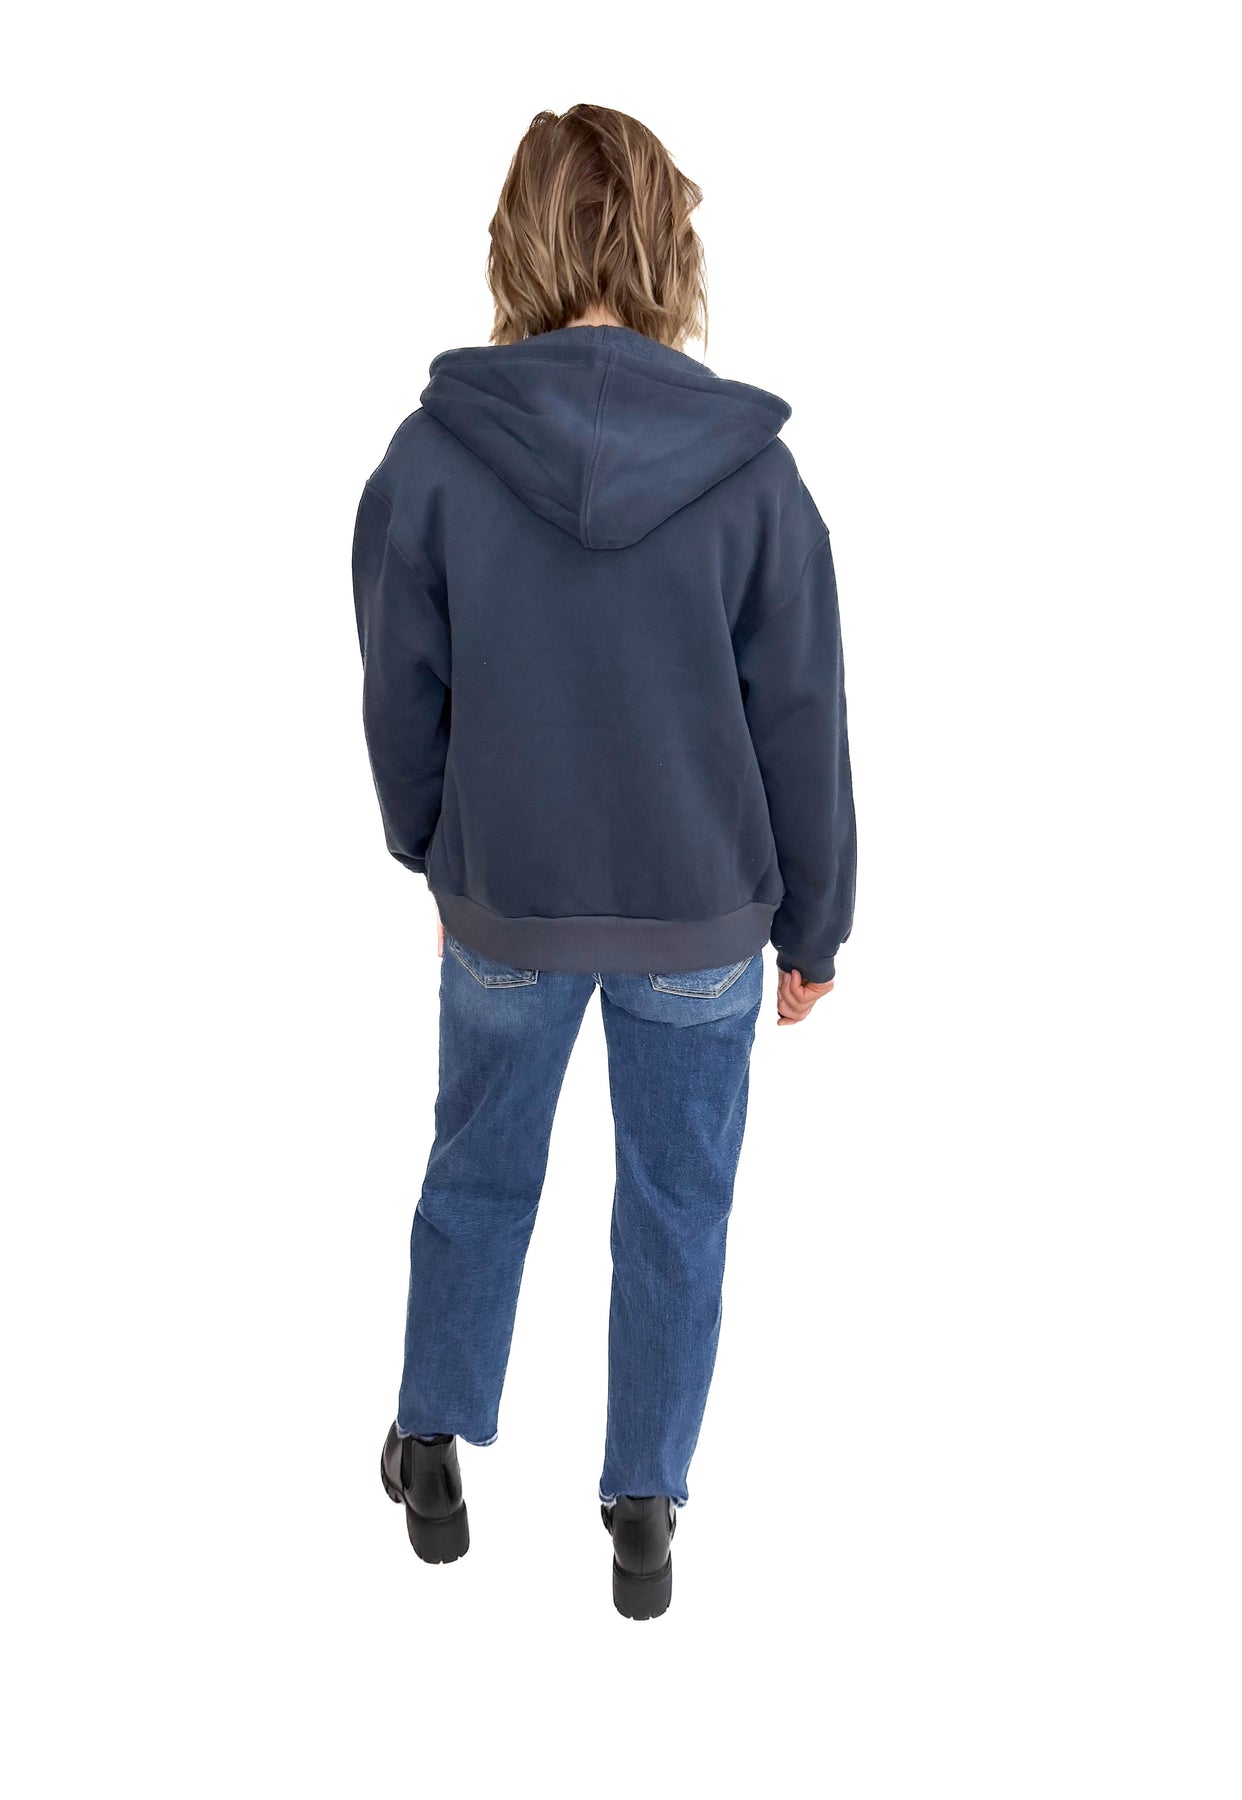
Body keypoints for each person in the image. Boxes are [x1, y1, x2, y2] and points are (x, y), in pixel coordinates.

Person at [352, 103, 857, 1620]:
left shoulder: (432, 459)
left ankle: (432, 1446)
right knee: (677, 1207)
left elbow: (401, 693)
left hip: (505, 902)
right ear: (665, 247)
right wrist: (816, 928)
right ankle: (644, 1506)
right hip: (701, 916)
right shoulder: (753, 478)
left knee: (477, 1172)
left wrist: (433, 855)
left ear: (516, 243)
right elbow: (804, 719)